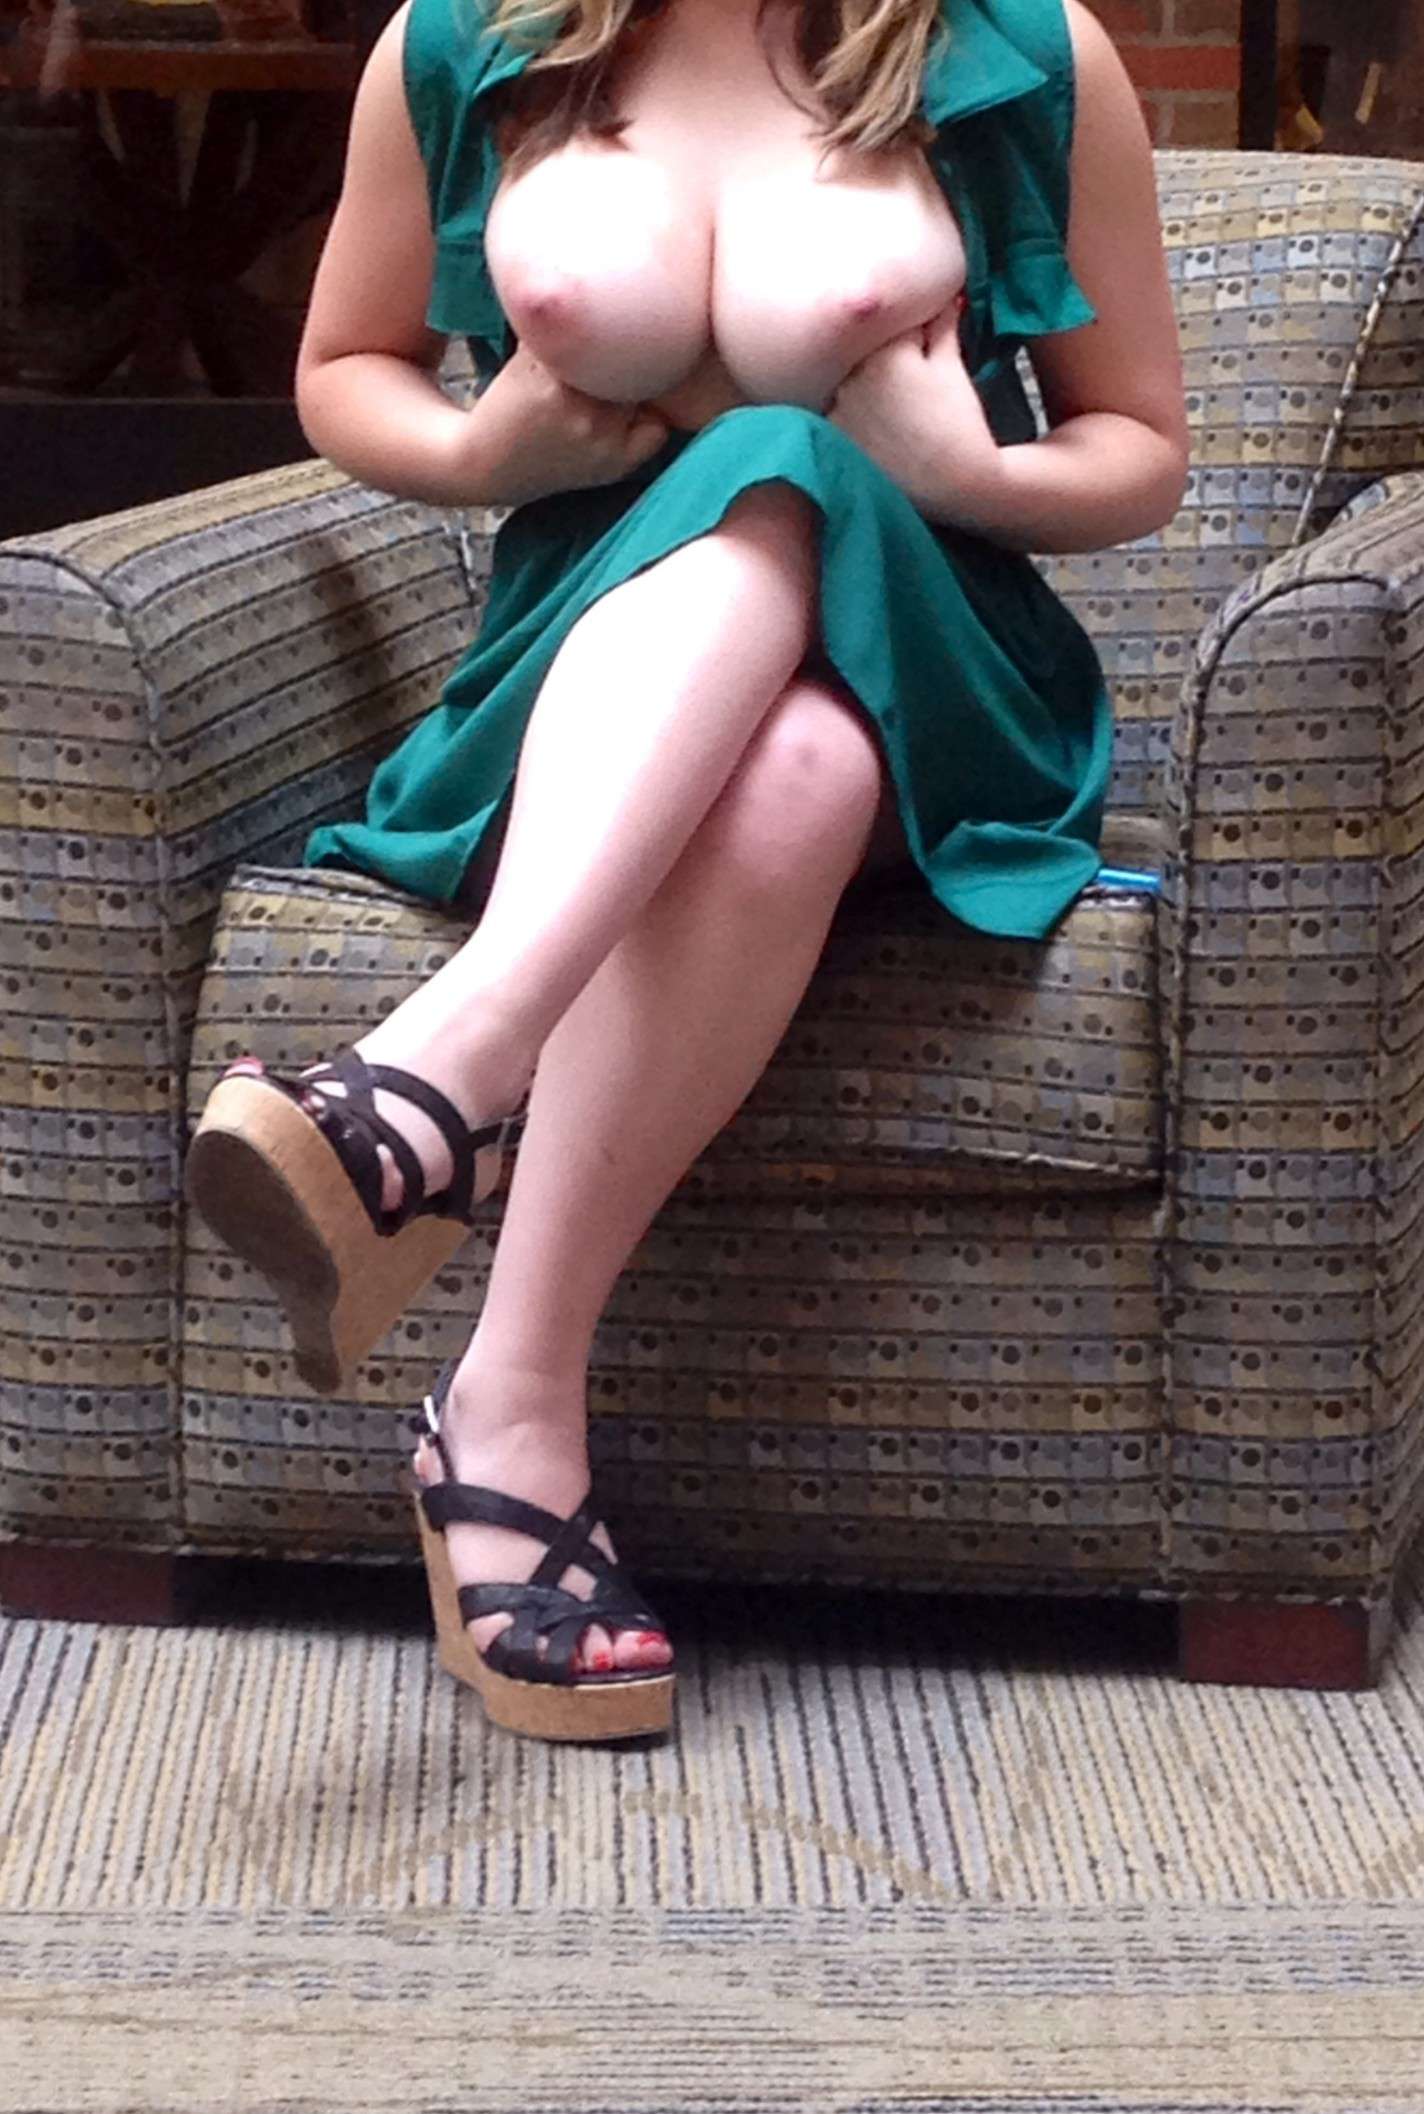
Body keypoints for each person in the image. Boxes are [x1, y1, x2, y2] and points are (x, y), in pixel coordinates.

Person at [185, 0, 1187, 1742]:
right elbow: (344, 365)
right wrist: (479, 456)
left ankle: (443, 1072)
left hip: (934, 658)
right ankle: (505, 1401)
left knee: (777, 460)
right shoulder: (464, 42)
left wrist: (970, 470)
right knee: (788, 777)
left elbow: (1144, 450)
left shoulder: (1027, 50)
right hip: (590, 673)